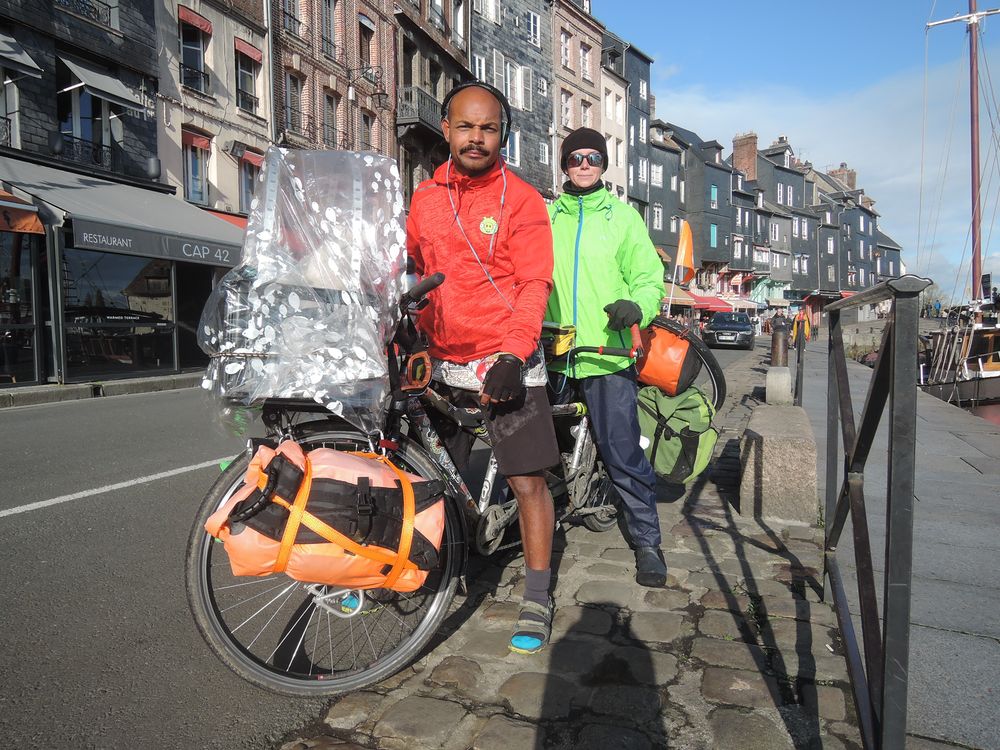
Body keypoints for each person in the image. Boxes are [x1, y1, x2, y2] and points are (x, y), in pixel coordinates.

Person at [406, 81, 560, 654]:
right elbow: (414, 270)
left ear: (503, 135)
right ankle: (419, 569)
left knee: (527, 480)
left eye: (488, 128)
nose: (476, 138)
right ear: (446, 129)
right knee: (426, 478)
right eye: (466, 126)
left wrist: (515, 355)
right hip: (443, 360)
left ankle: (538, 594)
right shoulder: (424, 198)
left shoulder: (522, 200)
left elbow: (534, 283)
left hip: (505, 356)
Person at [544, 127, 668, 587]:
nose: (584, 164)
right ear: (564, 163)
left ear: (603, 164)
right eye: (575, 157)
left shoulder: (623, 218)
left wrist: (638, 306)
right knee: (541, 452)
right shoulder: (545, 217)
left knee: (622, 451)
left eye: (593, 157)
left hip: (607, 355)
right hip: (553, 354)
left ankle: (647, 541)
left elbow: (648, 278)